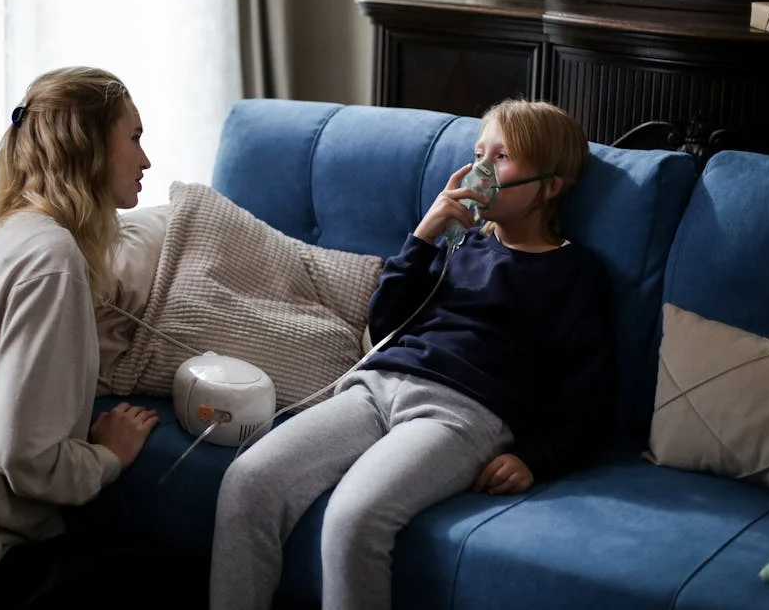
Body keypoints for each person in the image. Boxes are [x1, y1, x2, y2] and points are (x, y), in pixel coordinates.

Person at [209, 99, 615, 610]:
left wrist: (534, 458)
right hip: (377, 387)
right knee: (249, 481)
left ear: (551, 185)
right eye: (478, 152)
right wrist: (426, 234)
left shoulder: (575, 273)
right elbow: (384, 323)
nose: (481, 169)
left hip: (461, 413)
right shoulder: (457, 244)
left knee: (353, 518)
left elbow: (589, 400)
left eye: (504, 157)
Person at [0, 66, 205, 609]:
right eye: (134, 137)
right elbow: (23, 455)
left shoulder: (9, 231)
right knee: (189, 583)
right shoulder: (53, 261)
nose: (145, 160)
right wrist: (107, 456)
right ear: (93, 145)